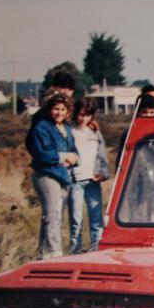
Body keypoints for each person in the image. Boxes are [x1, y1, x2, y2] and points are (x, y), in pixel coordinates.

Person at [26, 92, 78, 259]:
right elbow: (41, 154)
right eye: (56, 109)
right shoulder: (42, 127)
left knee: (54, 215)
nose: (59, 113)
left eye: (63, 109)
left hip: (63, 175)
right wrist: (63, 157)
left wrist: (75, 157)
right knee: (53, 214)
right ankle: (55, 253)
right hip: (46, 174)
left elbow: (73, 149)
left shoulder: (67, 128)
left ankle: (43, 254)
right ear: (50, 109)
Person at [67, 97, 110, 253]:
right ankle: (75, 252)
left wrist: (104, 173)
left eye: (87, 115)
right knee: (75, 220)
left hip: (93, 180)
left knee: (96, 219)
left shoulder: (94, 131)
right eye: (81, 114)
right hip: (75, 180)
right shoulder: (69, 131)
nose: (83, 118)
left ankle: (96, 251)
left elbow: (102, 154)